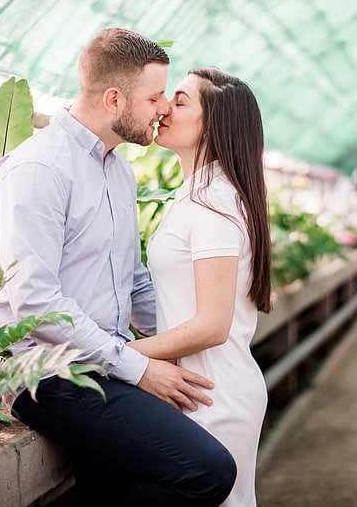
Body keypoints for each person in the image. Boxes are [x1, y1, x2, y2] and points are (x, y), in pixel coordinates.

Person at [0, 29, 236, 506]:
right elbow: (34, 300)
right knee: (209, 470)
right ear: (114, 98)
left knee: (122, 478)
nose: (163, 108)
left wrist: (183, 346)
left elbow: (134, 278)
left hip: (102, 362)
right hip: (49, 375)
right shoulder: (39, 169)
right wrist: (138, 367)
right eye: (155, 96)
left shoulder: (118, 170)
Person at [126, 67, 272, 507]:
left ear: (215, 123)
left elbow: (212, 325)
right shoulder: (194, 195)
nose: (165, 106)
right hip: (199, 388)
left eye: (182, 100)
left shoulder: (214, 202)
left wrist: (115, 356)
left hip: (213, 396)